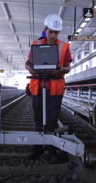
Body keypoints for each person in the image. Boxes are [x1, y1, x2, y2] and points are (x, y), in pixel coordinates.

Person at [25, 14, 72, 161]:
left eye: (56, 32)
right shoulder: (36, 44)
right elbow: (28, 63)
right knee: (38, 120)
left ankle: (51, 150)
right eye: (50, 31)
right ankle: (37, 149)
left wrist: (60, 70)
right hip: (38, 87)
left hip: (55, 89)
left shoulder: (64, 47)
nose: (53, 35)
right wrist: (30, 69)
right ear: (45, 29)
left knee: (52, 121)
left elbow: (68, 67)